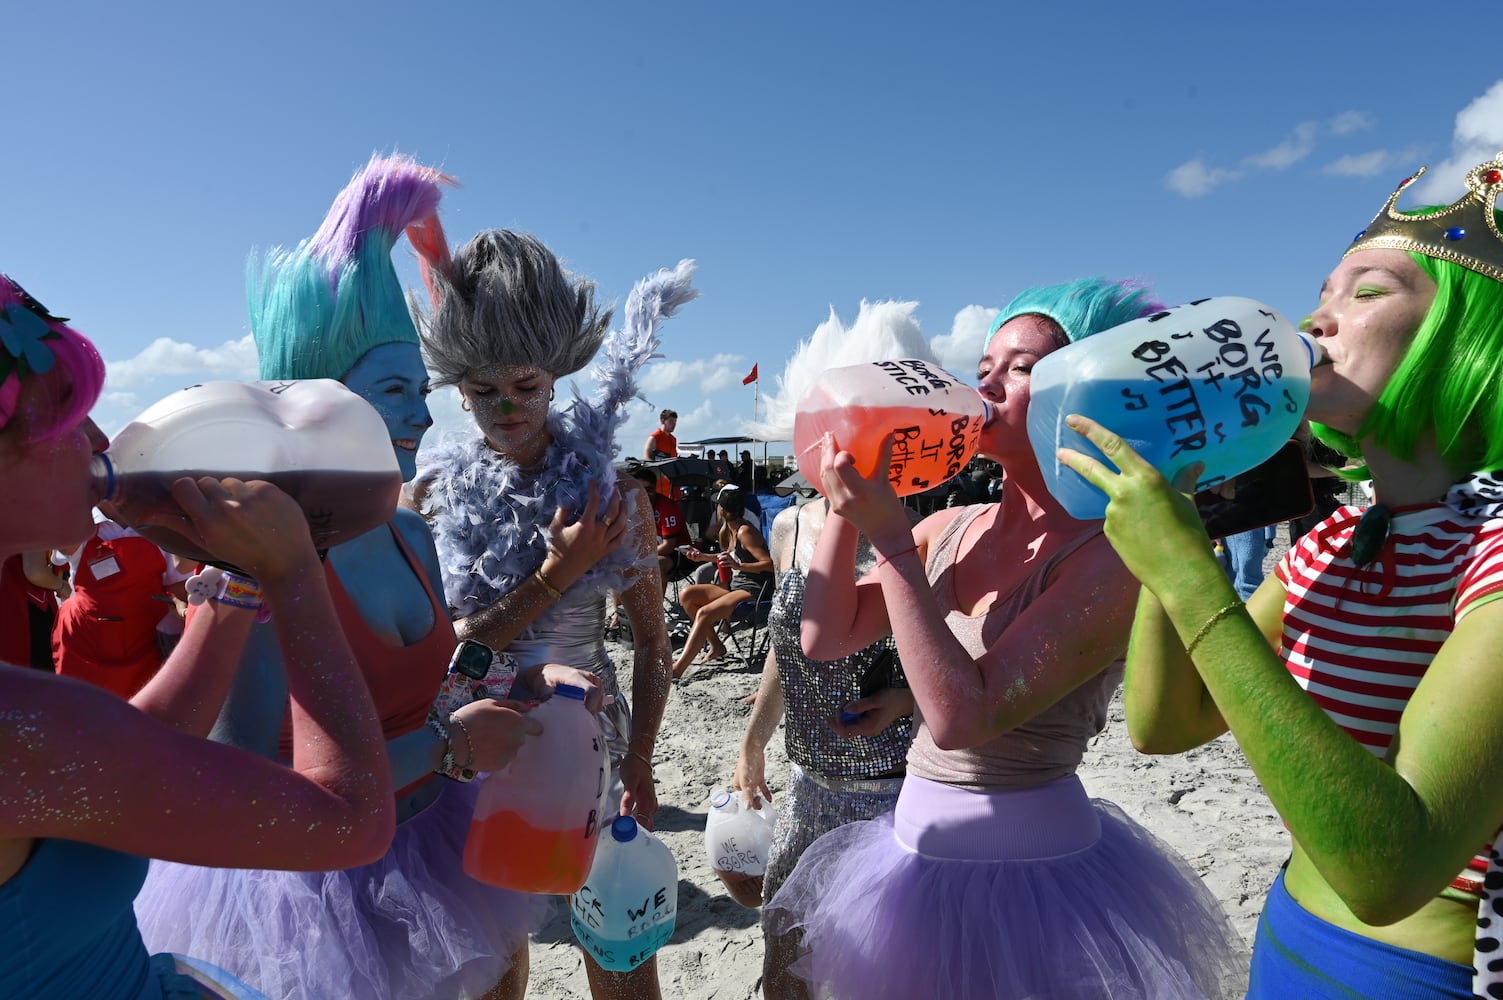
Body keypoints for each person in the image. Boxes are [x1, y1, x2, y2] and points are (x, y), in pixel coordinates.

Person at [1057, 154, 1503, 997]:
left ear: (1469, 338)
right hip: (1286, 935)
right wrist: (1173, 543)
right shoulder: (1340, 532)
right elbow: (1166, 722)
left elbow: (1388, 872)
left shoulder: (1492, 544)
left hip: (1417, 971)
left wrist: (1192, 581)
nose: (1314, 320)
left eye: (1365, 292)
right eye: (1323, 294)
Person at [134, 156, 552, 1000]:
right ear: (315, 402)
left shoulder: (408, 532)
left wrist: (521, 682)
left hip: (439, 845)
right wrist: (453, 745)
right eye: (396, 389)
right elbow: (239, 790)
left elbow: (427, 689)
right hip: (314, 899)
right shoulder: (249, 568)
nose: (422, 413)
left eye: (419, 389)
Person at [767, 278, 1247, 999]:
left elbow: (964, 717)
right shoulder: (951, 528)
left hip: (1031, 880)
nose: (984, 384)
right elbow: (824, 636)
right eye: (983, 366)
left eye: (1018, 368)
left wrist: (892, 544)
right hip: (913, 855)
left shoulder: (1109, 555)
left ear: (1088, 394)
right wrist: (847, 501)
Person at [0, 271, 396, 998]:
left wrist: (234, 583)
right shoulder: (16, 732)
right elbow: (350, 823)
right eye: (65, 415)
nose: (96, 437)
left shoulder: (37, 740)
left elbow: (109, 758)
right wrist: (294, 575)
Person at [412, 230, 693, 1000]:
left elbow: (650, 639)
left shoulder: (615, 497)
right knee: (493, 960)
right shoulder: (430, 495)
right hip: (473, 746)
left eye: (525, 386)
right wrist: (554, 575)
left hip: (586, 746)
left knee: (620, 945)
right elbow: (445, 655)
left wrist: (639, 756)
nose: (505, 406)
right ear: (457, 390)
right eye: (482, 389)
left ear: (555, 378)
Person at [735, 498, 915, 999]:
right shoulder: (787, 525)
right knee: (785, 956)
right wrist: (754, 740)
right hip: (808, 787)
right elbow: (785, 640)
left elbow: (963, 664)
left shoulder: (930, 525)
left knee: (880, 967)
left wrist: (905, 702)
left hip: (895, 797)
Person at [52, 504, 190, 698]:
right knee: (83, 710)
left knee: (144, 711)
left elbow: (176, 585)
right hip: (87, 641)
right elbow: (60, 541)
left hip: (146, 641)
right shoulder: (80, 522)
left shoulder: (160, 525)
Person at [672, 484, 774, 679]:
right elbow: (728, 556)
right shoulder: (729, 529)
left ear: (722, 509)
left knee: (703, 613)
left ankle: (677, 670)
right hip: (739, 585)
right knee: (687, 594)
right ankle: (717, 646)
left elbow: (769, 564)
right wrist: (702, 556)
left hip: (756, 590)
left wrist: (739, 567)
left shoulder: (745, 532)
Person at [631, 467, 695, 592]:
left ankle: (656, 610)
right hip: (650, 552)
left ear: (655, 489)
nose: (644, 494)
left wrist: (641, 557)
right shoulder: (633, 507)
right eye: (640, 490)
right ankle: (619, 610)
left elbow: (668, 546)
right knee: (618, 563)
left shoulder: (666, 506)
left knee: (655, 565)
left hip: (678, 553)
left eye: (648, 490)